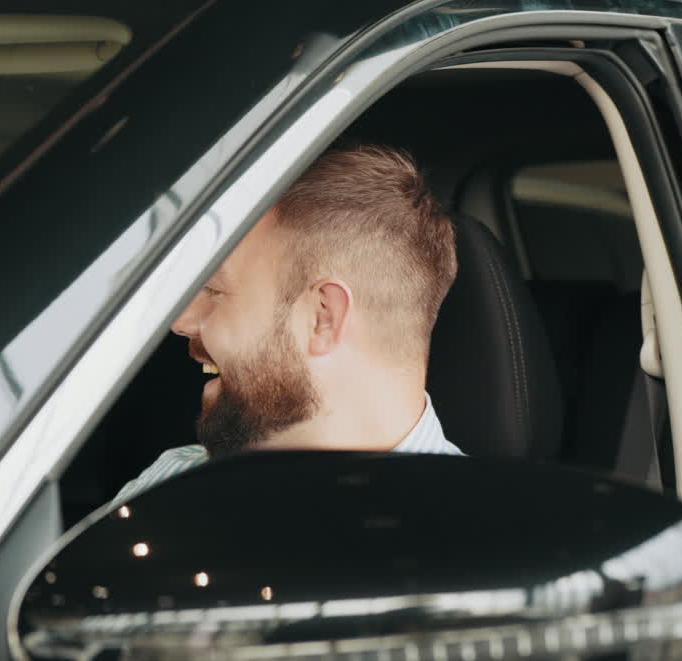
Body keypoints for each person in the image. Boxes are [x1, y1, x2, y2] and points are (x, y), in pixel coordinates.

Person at [115, 145, 462, 504]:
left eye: (214, 290)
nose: (180, 323)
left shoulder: (481, 539)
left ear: (323, 316)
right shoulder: (170, 480)